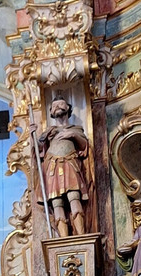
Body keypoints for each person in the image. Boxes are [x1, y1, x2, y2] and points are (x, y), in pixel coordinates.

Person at [38, 98, 90, 237]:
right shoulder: (48, 132)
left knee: (74, 196)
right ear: (51, 112)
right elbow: (38, 150)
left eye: (61, 104)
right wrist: (34, 137)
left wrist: (71, 135)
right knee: (56, 201)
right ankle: (63, 239)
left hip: (70, 163)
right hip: (52, 167)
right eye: (54, 106)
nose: (57, 107)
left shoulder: (76, 129)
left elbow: (84, 146)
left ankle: (81, 235)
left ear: (68, 108)